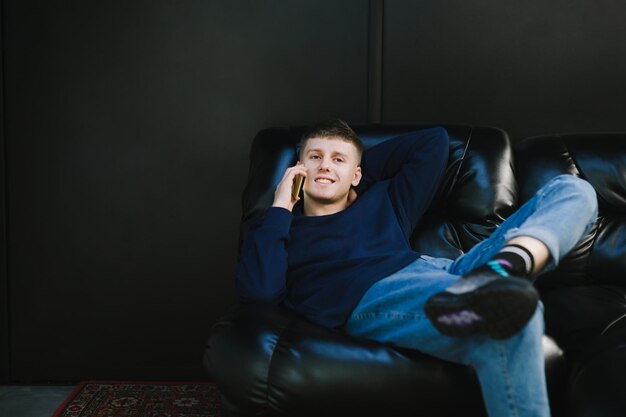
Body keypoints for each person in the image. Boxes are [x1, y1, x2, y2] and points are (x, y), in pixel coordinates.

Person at [235, 119, 598, 417]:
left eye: (337, 159)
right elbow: (259, 294)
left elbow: (433, 143)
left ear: (358, 174)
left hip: (449, 271)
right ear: (298, 170)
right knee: (517, 314)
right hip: (375, 295)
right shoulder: (280, 230)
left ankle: (515, 261)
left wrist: (354, 170)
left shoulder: (386, 202)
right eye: (314, 157)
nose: (325, 165)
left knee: (572, 189)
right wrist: (282, 204)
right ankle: (485, 299)